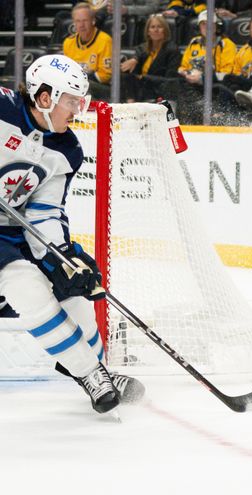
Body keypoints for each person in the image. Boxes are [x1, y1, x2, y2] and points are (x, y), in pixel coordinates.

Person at [0, 54, 145, 414]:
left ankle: (101, 373)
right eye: (70, 101)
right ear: (45, 97)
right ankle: (89, 373)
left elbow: (44, 211)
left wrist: (62, 254)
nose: (77, 110)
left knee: (70, 283)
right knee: (26, 285)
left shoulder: (67, 149)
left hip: (14, 230)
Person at [167, 9, 237, 124]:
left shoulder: (227, 45)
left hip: (214, 83)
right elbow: (183, 66)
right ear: (199, 27)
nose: (207, 27)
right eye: (203, 24)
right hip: (191, 81)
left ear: (217, 26)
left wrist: (202, 77)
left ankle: (208, 113)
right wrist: (185, 73)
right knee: (172, 79)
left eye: (210, 24)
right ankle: (172, 115)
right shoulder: (194, 42)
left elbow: (227, 74)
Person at [120, 14, 181, 103]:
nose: (156, 30)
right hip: (141, 90)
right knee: (125, 76)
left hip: (159, 91)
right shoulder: (144, 48)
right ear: (148, 31)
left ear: (165, 30)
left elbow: (170, 81)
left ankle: (130, 105)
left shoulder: (172, 50)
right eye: (152, 27)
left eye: (159, 27)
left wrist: (144, 77)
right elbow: (139, 50)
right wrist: (134, 59)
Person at [62, 2, 113, 100]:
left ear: (93, 21)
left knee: (84, 87)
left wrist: (82, 80)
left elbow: (106, 75)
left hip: (102, 89)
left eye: (85, 20)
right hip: (76, 86)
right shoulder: (68, 43)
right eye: (78, 21)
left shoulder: (105, 40)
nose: (81, 25)